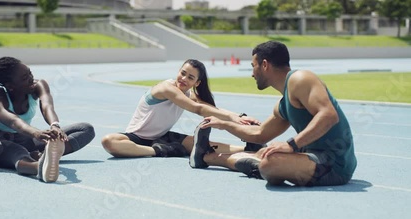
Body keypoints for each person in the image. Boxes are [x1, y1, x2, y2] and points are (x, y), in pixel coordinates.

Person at [190, 41, 357, 187]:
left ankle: (261, 165)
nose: (252, 74)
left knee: (271, 162)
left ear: (264, 65)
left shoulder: (300, 78)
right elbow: (260, 134)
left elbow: (329, 115)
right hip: (310, 157)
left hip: (334, 163)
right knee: (268, 155)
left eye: (253, 66)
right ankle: (208, 157)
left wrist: (291, 145)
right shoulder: (284, 103)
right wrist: (224, 124)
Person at [101, 59, 264, 158]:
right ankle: (158, 151)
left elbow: (210, 108)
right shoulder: (166, 87)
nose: (184, 79)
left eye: (190, 77)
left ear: (197, 83)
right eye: (183, 73)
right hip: (137, 137)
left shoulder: (187, 93)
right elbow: (197, 109)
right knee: (109, 141)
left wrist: (240, 117)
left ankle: (248, 150)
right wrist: (235, 119)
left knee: (203, 144)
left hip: (163, 137)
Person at [0, 57, 95, 183]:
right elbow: (14, 122)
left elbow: (47, 107)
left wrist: (55, 126)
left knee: (86, 129)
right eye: (24, 78)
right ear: (10, 86)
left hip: (27, 140)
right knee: (18, 152)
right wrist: (36, 133)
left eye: (30, 73)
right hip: (2, 144)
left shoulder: (38, 86)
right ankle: (39, 167)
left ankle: (48, 155)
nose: (31, 79)